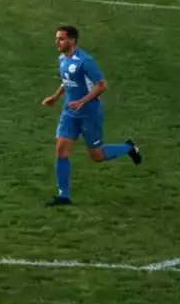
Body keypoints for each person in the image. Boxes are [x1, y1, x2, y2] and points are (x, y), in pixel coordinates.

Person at [44, 24, 141, 204]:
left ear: (72, 41)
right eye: (56, 38)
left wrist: (82, 101)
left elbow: (102, 86)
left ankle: (128, 148)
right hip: (69, 113)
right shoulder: (62, 59)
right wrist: (55, 96)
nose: (57, 42)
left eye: (61, 39)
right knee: (61, 150)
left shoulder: (85, 61)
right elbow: (67, 80)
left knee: (97, 155)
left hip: (89, 113)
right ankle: (63, 195)